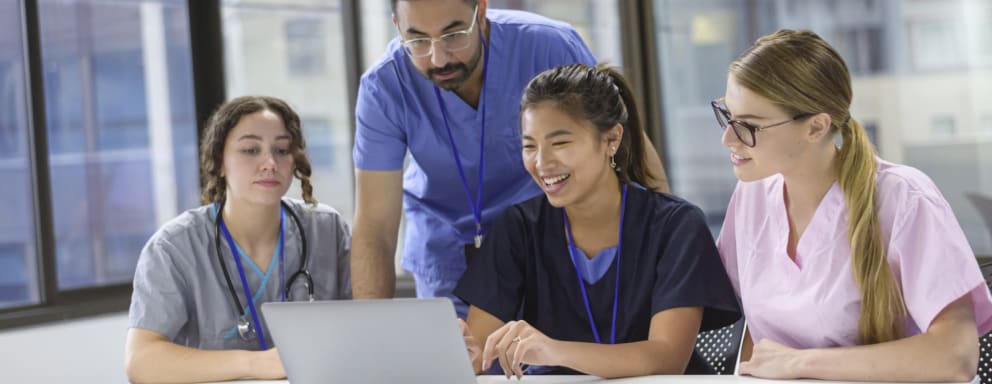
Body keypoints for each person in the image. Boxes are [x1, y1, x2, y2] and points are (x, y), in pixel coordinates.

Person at [350, 0, 671, 317]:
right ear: (397, 27)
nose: (438, 57)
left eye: (453, 35)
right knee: (463, 362)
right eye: (418, 40)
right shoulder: (384, 86)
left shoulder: (547, 46)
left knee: (560, 361)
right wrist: (368, 335)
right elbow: (375, 227)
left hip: (551, 247)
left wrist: (668, 242)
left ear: (481, 11)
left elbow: (625, 148)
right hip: (450, 258)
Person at [714, 29, 992, 382]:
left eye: (749, 126)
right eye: (727, 116)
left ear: (816, 127)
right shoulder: (751, 197)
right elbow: (755, 340)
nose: (728, 139)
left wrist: (799, 364)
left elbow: (956, 357)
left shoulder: (903, 199)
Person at [454, 64, 740, 379]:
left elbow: (667, 357)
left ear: (611, 139)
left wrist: (553, 349)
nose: (541, 162)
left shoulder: (676, 225)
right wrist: (463, 351)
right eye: (529, 146)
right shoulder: (519, 226)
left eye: (560, 143)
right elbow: (480, 353)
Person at [124, 96, 351, 383]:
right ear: (219, 162)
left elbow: (361, 329)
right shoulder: (174, 248)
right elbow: (141, 362)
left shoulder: (327, 229)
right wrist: (255, 364)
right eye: (250, 150)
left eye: (281, 150)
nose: (270, 163)